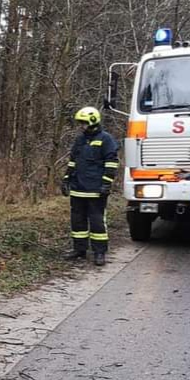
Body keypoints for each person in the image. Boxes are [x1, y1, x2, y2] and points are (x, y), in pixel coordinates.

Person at [61, 107, 120, 266]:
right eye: (80, 123)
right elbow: (73, 161)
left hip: (96, 190)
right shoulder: (80, 140)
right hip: (78, 189)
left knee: (97, 222)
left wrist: (106, 184)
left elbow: (112, 163)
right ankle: (79, 249)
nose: (81, 126)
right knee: (77, 221)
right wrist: (66, 179)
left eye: (84, 123)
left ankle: (99, 252)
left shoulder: (106, 139)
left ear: (92, 122)